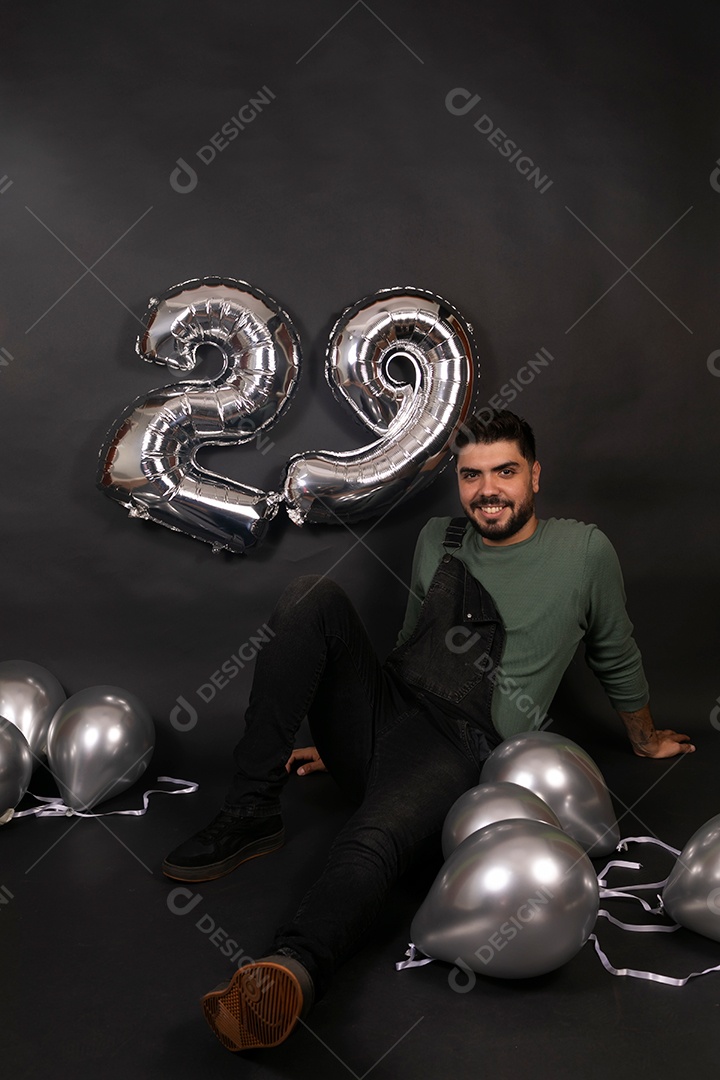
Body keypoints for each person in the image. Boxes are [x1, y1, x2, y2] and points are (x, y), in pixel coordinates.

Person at [162, 410, 694, 1053]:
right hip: (391, 711)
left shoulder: (583, 552)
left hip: (460, 747)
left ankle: (291, 969)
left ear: (535, 476)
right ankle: (251, 811)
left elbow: (615, 650)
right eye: (472, 476)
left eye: (505, 472)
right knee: (309, 594)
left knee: (371, 839)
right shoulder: (438, 538)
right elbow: (410, 646)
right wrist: (340, 738)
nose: (488, 490)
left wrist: (643, 737)